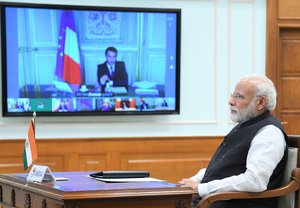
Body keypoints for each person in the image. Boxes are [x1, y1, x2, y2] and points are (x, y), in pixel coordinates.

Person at [179, 75, 288, 208]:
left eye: (239, 97)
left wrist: (201, 188)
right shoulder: (244, 126)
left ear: (261, 102)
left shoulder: (269, 133)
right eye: (233, 96)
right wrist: (195, 180)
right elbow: (223, 167)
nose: (231, 101)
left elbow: (255, 181)